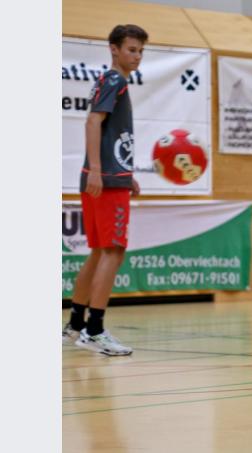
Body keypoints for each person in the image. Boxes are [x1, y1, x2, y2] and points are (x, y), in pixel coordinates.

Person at [61, 24, 148, 356]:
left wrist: (126, 175)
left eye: (140, 51)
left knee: (99, 251)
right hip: (104, 179)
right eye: (131, 49)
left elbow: (111, 133)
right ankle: (94, 331)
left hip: (110, 177)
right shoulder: (115, 81)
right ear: (114, 49)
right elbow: (93, 122)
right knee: (113, 251)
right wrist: (98, 170)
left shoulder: (110, 81)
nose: (137, 56)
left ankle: (76, 324)